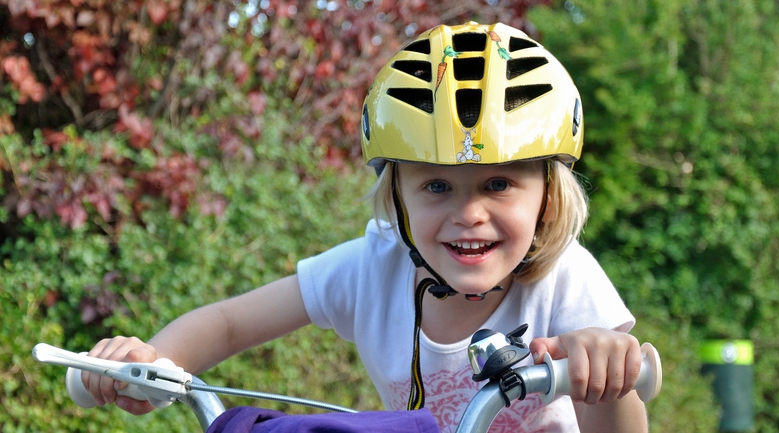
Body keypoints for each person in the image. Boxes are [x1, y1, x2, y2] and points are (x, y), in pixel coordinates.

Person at [83, 22, 648, 432]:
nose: (468, 213)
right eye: (436, 186)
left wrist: (604, 370)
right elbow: (229, 324)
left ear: (548, 196)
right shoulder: (373, 266)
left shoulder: (564, 278)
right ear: (396, 198)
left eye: (498, 185)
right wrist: (150, 362)